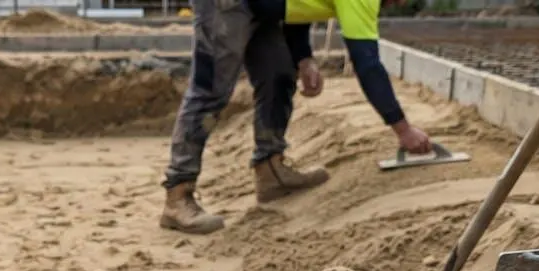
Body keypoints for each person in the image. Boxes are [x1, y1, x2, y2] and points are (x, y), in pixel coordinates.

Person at [159, 0, 432, 235]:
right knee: (210, 92)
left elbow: (296, 7)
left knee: (278, 73)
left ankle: (271, 170)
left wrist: (303, 58)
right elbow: (367, 63)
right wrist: (403, 129)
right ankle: (178, 194)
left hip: (261, 8)